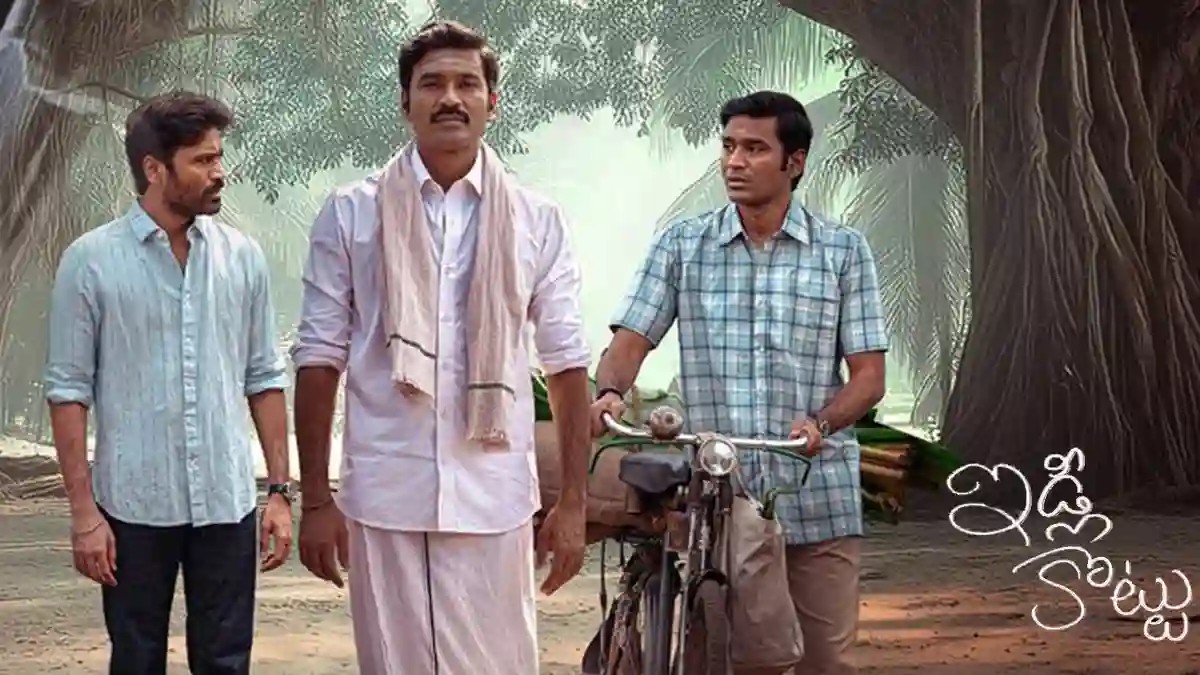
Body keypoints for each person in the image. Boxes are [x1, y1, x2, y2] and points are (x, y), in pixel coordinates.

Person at [290, 19, 593, 674]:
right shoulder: (351, 214)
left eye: (467, 83)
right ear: (406, 102)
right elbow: (319, 358)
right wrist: (315, 500)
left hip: (493, 495)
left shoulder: (536, 219)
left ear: (492, 101)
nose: (450, 98)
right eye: (432, 83)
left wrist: (573, 502)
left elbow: (567, 364)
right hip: (387, 494)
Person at [591, 90, 888, 675]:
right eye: (729, 146)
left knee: (825, 660)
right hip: (715, 493)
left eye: (754, 148)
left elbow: (869, 378)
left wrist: (821, 423)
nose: (735, 161)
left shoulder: (843, 252)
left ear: (794, 162)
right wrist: (610, 391)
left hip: (815, 489)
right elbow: (630, 342)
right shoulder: (683, 245)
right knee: (725, 654)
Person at [42, 91, 294, 675]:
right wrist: (84, 514)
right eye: (202, 160)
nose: (219, 172)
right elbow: (69, 391)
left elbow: (264, 377)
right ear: (154, 169)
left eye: (219, 156)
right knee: (135, 661)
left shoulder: (242, 258)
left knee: (226, 663)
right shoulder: (91, 261)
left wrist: (280, 492)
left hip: (226, 503)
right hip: (133, 506)